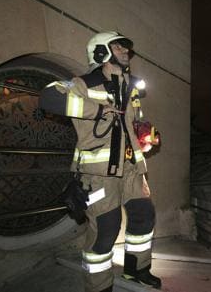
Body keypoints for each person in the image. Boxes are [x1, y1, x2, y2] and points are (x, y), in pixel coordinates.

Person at [39, 31, 161, 292]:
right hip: (98, 175)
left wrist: (145, 136)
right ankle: (98, 287)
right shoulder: (84, 83)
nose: (125, 52)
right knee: (106, 231)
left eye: (126, 48)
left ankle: (136, 271)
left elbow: (131, 124)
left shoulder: (131, 86)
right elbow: (48, 97)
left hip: (131, 170)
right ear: (100, 52)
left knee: (144, 216)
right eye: (118, 47)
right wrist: (96, 110)